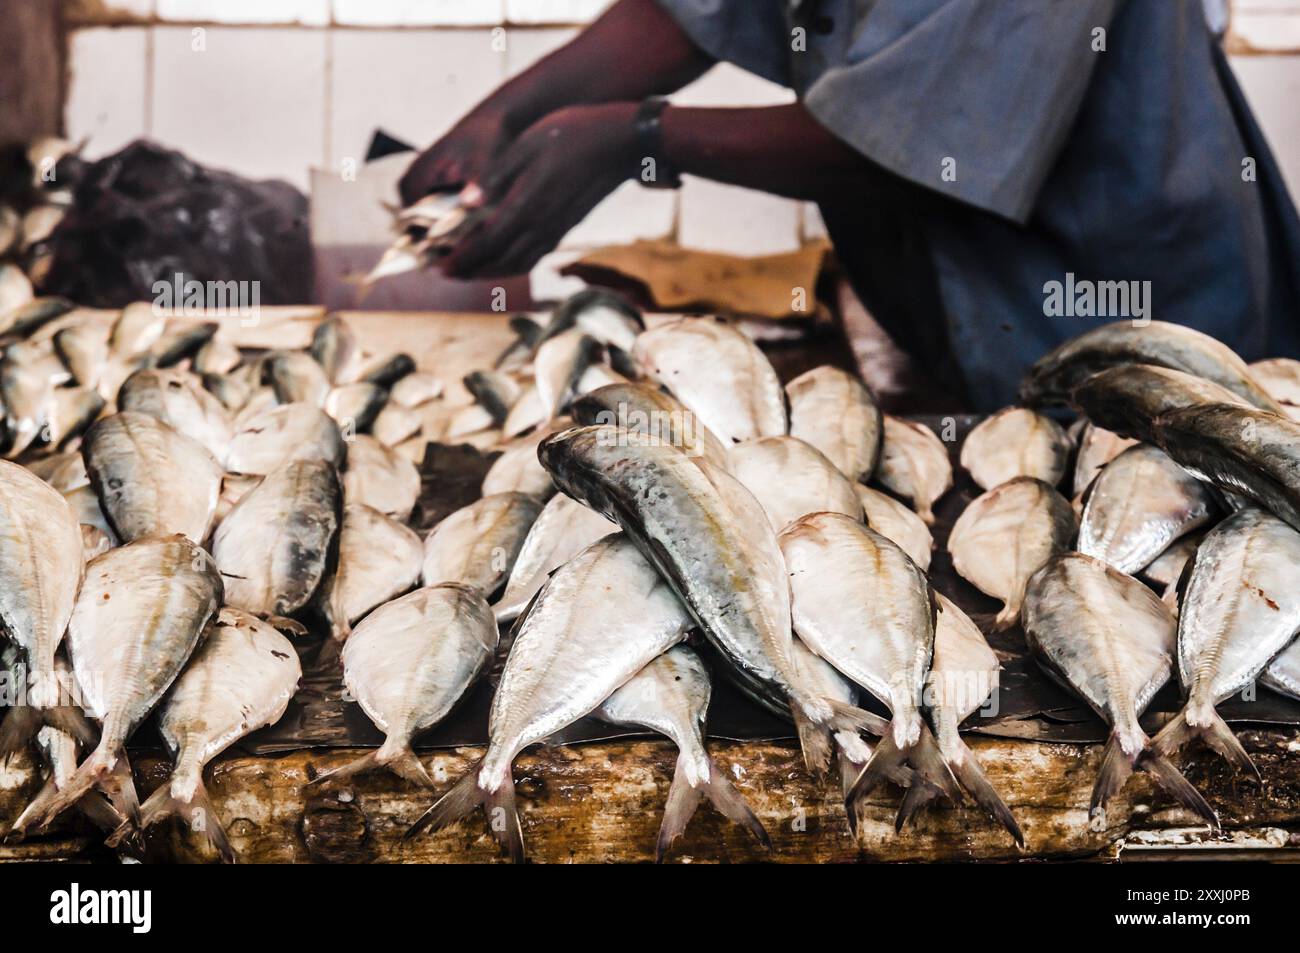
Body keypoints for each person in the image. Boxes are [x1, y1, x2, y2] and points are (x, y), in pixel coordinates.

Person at [400, 0, 1300, 409]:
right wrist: (512, 112)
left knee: (1167, 515)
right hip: (973, 315)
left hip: (1132, 302)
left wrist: (634, 140)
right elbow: (701, 9)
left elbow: (924, 143)